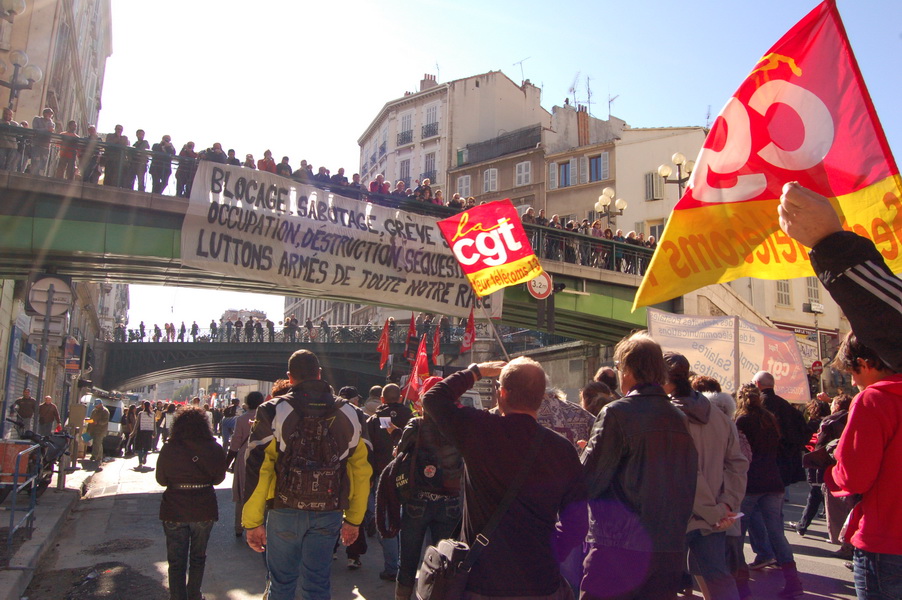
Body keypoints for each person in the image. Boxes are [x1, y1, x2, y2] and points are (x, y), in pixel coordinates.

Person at [421, 357, 586, 599]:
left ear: (502, 394)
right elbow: (578, 522)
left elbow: (433, 398)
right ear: (541, 398)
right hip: (540, 581)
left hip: (481, 580)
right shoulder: (562, 449)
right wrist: (547, 549)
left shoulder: (479, 429)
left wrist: (476, 371)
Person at [243, 350, 372, 600]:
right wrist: (354, 519)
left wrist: (253, 521)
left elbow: (260, 470)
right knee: (318, 583)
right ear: (320, 374)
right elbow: (361, 471)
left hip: (283, 509)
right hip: (329, 510)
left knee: (281, 584)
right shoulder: (352, 414)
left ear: (290, 378)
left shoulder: (272, 410)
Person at [581, 332, 698, 600]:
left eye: (621, 367)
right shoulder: (679, 418)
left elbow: (588, 480)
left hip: (619, 546)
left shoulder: (617, 413)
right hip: (667, 547)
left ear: (629, 369)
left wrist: (583, 453)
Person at [664, 352, 747, 600]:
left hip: (675, 516)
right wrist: (727, 503)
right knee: (717, 582)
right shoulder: (720, 416)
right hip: (714, 517)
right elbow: (738, 463)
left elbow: (686, 471)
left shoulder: (665, 416)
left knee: (662, 584)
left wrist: (717, 509)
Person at [391, 377, 463, 600]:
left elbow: (399, 453)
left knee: (408, 561)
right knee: (444, 563)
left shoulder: (417, 425)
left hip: (417, 501)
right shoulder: (460, 424)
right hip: (450, 502)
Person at [734, 384, 803, 597]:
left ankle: (742, 586)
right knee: (777, 534)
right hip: (773, 481)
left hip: (751, 483)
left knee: (738, 535)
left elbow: (741, 453)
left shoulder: (742, 421)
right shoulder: (769, 419)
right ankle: (793, 580)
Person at [156, 406, 227, 600]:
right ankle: (194, 594)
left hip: (174, 508)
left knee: (176, 561)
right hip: (204, 507)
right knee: (198, 557)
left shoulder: (169, 448)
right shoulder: (214, 448)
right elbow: (219, 478)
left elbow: (161, 480)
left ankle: (177, 597)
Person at [362, 383, 410, 581]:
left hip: (383, 477)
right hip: (408, 479)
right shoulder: (411, 417)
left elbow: (368, 451)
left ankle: (392, 567)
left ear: (382, 400)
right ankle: (406, 567)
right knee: (408, 524)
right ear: (399, 398)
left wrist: (370, 477)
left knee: (387, 523)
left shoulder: (375, 421)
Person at [227, 391, 265, 537]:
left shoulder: (242, 419)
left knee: (243, 492)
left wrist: (226, 463)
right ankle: (261, 524)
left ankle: (239, 526)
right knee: (261, 490)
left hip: (244, 457)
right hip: (263, 456)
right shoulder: (268, 416)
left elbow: (235, 443)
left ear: (247, 403)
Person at [30, 107, 55, 176]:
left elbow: (51, 133)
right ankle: (32, 175)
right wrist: (47, 129)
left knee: (43, 161)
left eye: (51, 114)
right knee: (35, 160)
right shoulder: (37, 119)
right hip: (36, 143)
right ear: (44, 113)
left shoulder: (52, 123)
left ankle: (40, 175)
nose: (50, 116)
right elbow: (35, 129)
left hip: (46, 145)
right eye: (48, 113)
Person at [87, 399, 110, 466]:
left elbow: (105, 421)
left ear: (100, 404)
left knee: (97, 442)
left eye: (97, 405)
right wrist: (88, 426)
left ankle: (95, 456)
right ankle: (99, 457)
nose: (96, 406)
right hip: (93, 429)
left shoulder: (105, 411)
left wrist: (98, 422)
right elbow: (91, 420)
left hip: (100, 431)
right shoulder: (94, 411)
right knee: (96, 443)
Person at [134, 400, 156, 468]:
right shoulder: (153, 414)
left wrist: (133, 432)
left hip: (141, 432)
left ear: (143, 406)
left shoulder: (140, 413)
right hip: (149, 432)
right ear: (149, 406)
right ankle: (145, 455)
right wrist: (155, 432)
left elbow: (137, 424)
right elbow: (154, 424)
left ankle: (140, 462)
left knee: (139, 447)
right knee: (146, 446)